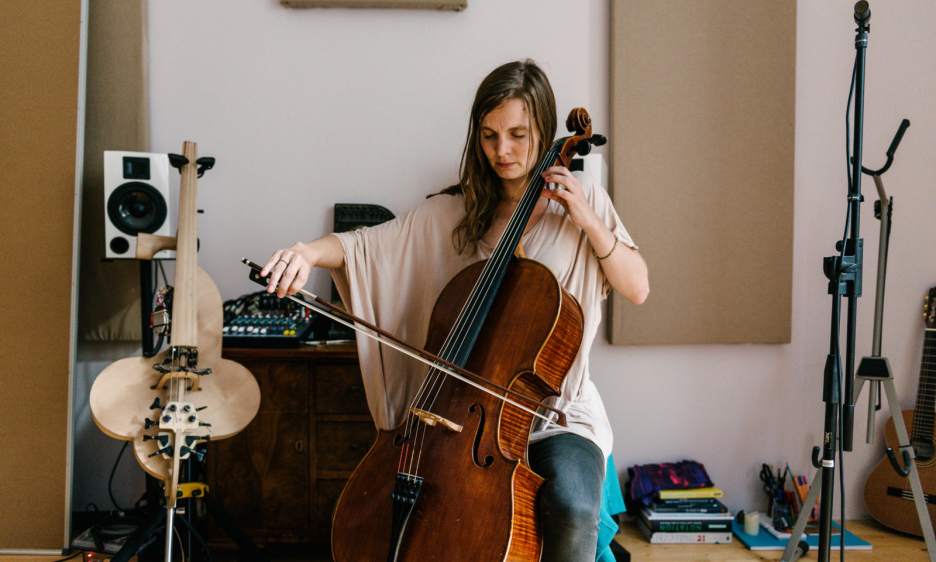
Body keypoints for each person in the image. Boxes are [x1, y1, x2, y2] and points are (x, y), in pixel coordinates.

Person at [262, 59, 648, 562]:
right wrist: (305, 252)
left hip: (555, 414)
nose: (502, 151)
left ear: (545, 130)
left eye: (517, 134)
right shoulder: (455, 211)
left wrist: (589, 222)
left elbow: (636, 287)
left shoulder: (582, 201)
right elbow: (365, 247)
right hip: (469, 420)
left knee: (572, 508)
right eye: (488, 136)